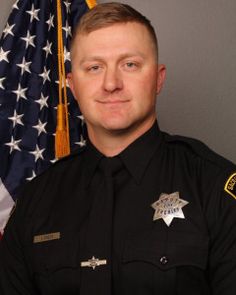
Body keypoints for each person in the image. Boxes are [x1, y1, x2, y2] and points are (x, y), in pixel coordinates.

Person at [0, 2, 236, 295]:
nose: (111, 83)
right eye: (94, 67)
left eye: (130, 65)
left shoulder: (214, 187)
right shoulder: (37, 200)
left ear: (158, 78)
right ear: (73, 86)